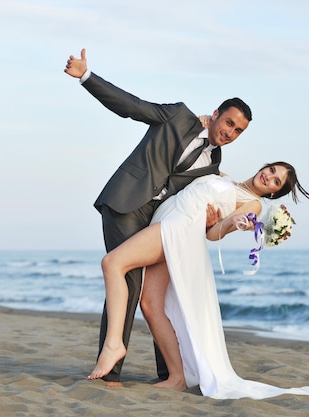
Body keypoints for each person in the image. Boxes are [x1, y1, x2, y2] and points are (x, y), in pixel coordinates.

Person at [87, 162, 309, 400]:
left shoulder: (253, 204)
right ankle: (176, 377)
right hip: (169, 220)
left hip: (178, 228)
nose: (268, 177)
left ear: (273, 192)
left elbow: (214, 234)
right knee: (150, 304)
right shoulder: (225, 177)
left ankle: (115, 343)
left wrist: (234, 224)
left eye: (275, 181)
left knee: (112, 262)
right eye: (271, 170)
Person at [64, 48, 252, 385]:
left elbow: (195, 201)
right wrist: (86, 77)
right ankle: (111, 371)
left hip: (157, 220)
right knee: (130, 281)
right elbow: (132, 106)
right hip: (125, 202)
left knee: (159, 292)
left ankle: (169, 373)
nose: (230, 132)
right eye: (229, 123)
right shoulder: (178, 116)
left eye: (238, 131)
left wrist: (213, 219)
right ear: (217, 114)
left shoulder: (213, 166)